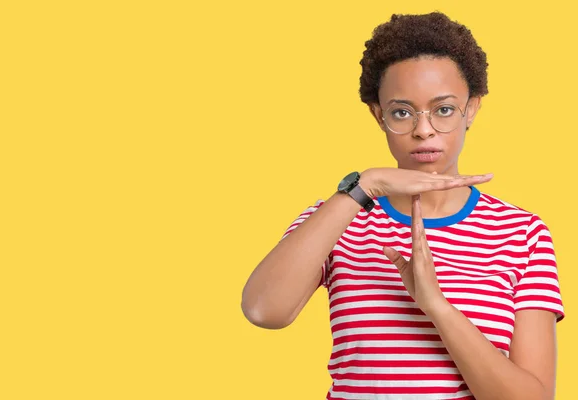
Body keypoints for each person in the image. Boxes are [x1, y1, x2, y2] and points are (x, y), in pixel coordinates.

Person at [241, 11, 564, 400]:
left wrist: (437, 306)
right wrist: (365, 186)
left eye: (443, 109)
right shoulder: (339, 216)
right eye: (401, 112)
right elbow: (263, 310)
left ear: (472, 109)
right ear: (379, 115)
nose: (423, 129)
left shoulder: (521, 232)